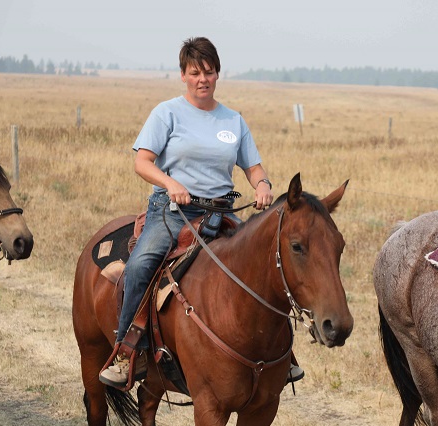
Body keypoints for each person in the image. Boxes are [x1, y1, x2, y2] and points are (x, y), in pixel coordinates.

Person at [99, 37, 303, 388]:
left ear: (217, 74)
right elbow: (142, 162)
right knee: (140, 265)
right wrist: (170, 183)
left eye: (209, 72)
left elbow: (253, 167)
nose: (202, 79)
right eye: (195, 72)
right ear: (183, 75)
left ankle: (282, 355)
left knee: (265, 260)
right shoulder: (167, 113)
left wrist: (263, 184)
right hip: (173, 211)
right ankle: (127, 351)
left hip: (220, 213)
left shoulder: (233, 121)